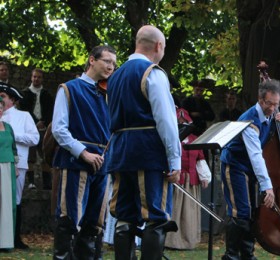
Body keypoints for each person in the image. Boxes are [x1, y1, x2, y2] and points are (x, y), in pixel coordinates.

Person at [105, 25, 181, 260]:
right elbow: (166, 120)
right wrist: (174, 157)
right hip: (148, 152)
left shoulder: (114, 76)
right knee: (155, 216)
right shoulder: (152, 73)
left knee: (125, 215)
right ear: (158, 46)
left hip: (120, 152)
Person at [50, 45, 116, 259]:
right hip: (76, 162)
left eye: (114, 64)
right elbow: (59, 129)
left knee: (95, 224)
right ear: (91, 60)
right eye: (107, 61)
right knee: (69, 219)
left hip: (103, 165)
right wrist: (83, 153)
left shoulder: (109, 94)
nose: (111, 67)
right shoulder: (69, 88)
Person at [219, 76, 280, 260]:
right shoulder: (249, 121)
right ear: (260, 99)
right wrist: (267, 186)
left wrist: (278, 122)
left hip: (249, 169)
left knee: (251, 213)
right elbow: (256, 155)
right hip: (235, 165)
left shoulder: (272, 114)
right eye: (269, 104)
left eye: (276, 104)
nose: (273, 108)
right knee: (240, 212)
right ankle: (231, 256)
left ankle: (247, 255)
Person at [164, 108, 211, 250]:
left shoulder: (195, 140)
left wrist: (204, 176)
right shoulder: (171, 139)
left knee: (189, 213)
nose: (182, 124)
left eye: (184, 122)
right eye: (179, 122)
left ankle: (188, 241)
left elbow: (200, 159)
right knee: (175, 210)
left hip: (191, 181)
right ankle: (171, 241)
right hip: (176, 180)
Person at [0, 82, 39, 250]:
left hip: (16, 164)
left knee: (14, 201)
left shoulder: (23, 116)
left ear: (13, 100)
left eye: (3, 96)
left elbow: (34, 138)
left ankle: (14, 238)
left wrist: (12, 135)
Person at [18, 68, 54, 190]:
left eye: (38, 77)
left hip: (44, 129)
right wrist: (35, 122)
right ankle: (31, 182)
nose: (36, 79)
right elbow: (24, 110)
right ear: (31, 77)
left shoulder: (47, 95)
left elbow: (50, 110)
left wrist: (44, 122)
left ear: (42, 79)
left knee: (45, 155)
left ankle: (47, 183)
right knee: (30, 156)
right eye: (34, 77)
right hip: (30, 128)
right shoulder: (24, 94)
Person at [0, 96, 18, 251]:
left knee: (7, 202)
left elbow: (14, 148)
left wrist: (16, 166)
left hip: (8, 166)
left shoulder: (8, 127)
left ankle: (5, 241)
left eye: (0, 107)